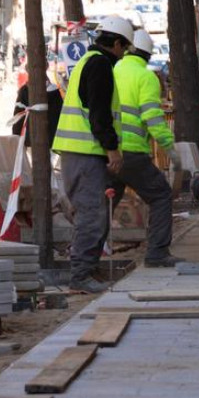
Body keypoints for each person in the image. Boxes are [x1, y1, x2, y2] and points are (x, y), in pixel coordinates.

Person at [52, 16, 134, 294]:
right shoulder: (99, 65)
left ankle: (88, 272)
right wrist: (112, 148)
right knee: (92, 215)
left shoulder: (91, 62)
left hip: (83, 153)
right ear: (116, 43)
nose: (124, 54)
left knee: (95, 213)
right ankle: (80, 276)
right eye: (124, 47)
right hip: (85, 153)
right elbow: (99, 114)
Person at [112, 29, 186, 268]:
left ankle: (85, 257)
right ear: (147, 55)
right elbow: (153, 118)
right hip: (131, 152)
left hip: (107, 151)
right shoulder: (145, 78)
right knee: (161, 195)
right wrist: (171, 150)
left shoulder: (114, 69)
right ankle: (157, 253)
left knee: (105, 203)